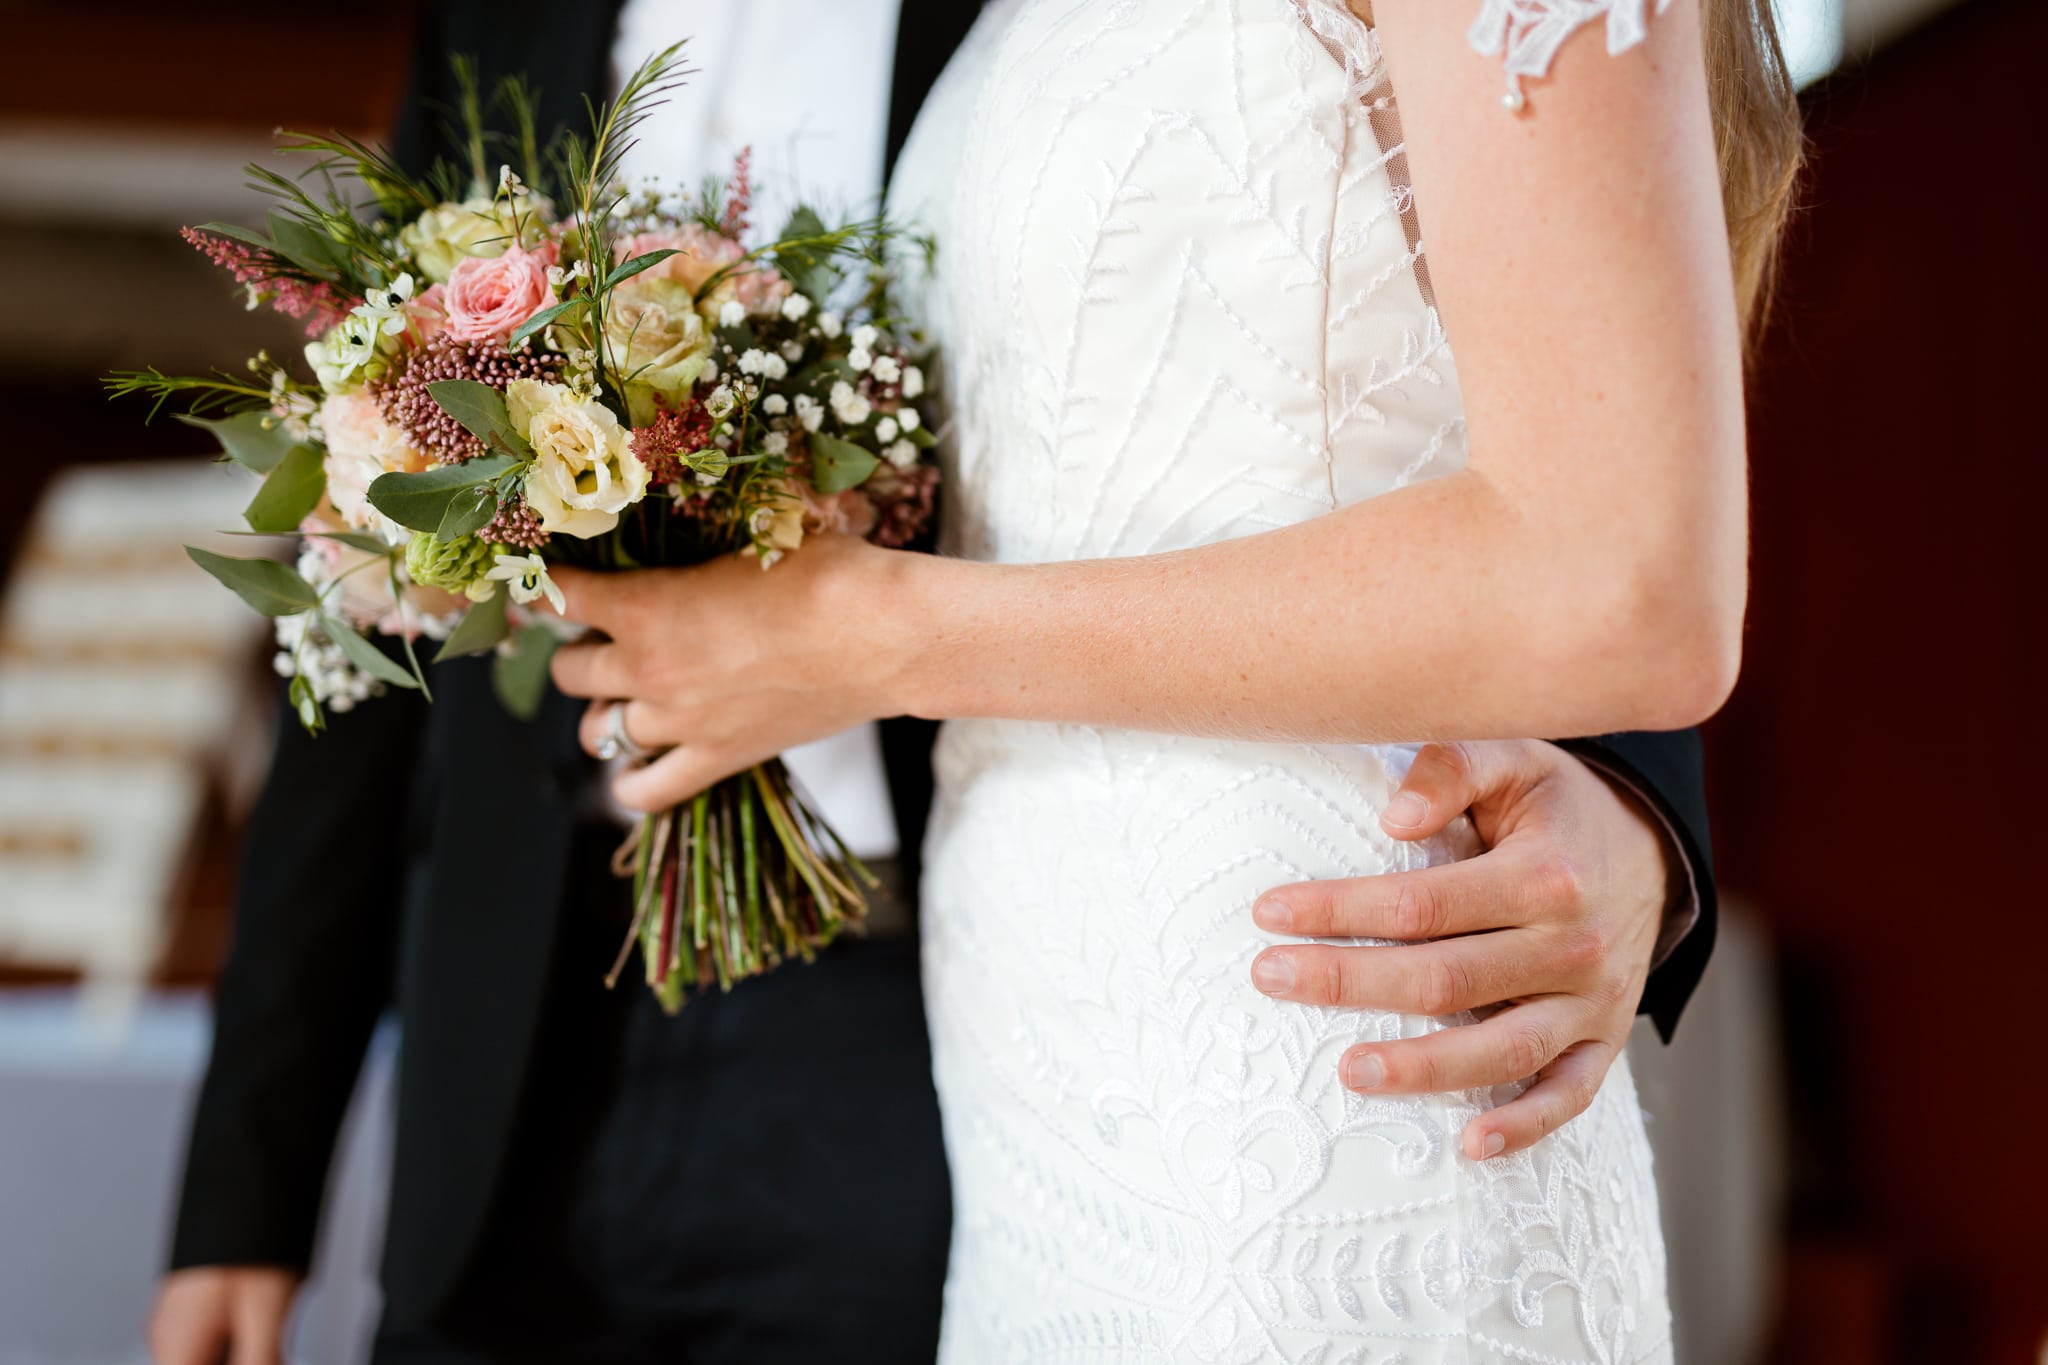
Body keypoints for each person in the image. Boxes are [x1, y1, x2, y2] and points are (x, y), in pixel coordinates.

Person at [150, 3, 1747, 1364]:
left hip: (1010, 1023)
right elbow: (357, 591)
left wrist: (1626, 792)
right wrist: (250, 1171)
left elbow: (1586, 467)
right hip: (590, 1021)